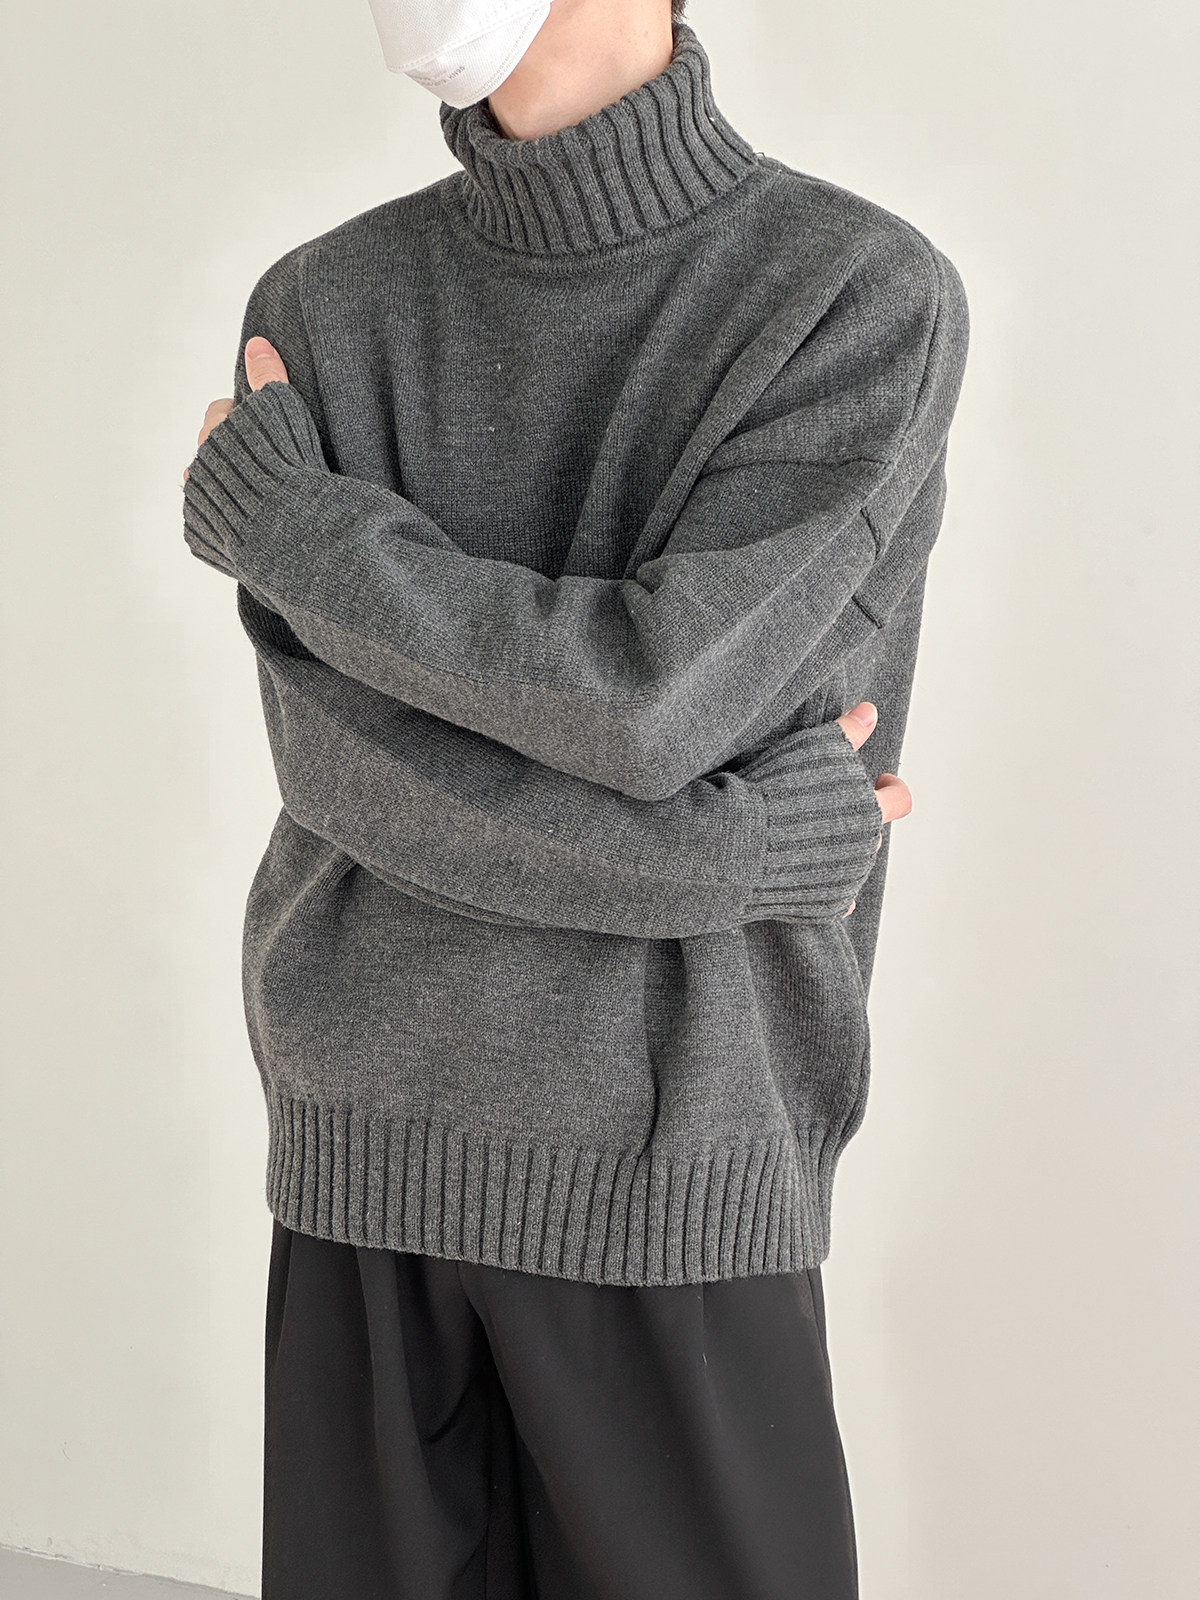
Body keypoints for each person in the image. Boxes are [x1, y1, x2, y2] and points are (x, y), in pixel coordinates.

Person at [182, 1, 970, 1595]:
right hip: (363, 1141)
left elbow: (652, 698)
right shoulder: (323, 305)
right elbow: (342, 772)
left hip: (674, 1168)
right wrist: (738, 852)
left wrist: (304, 534)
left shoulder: (850, 295)